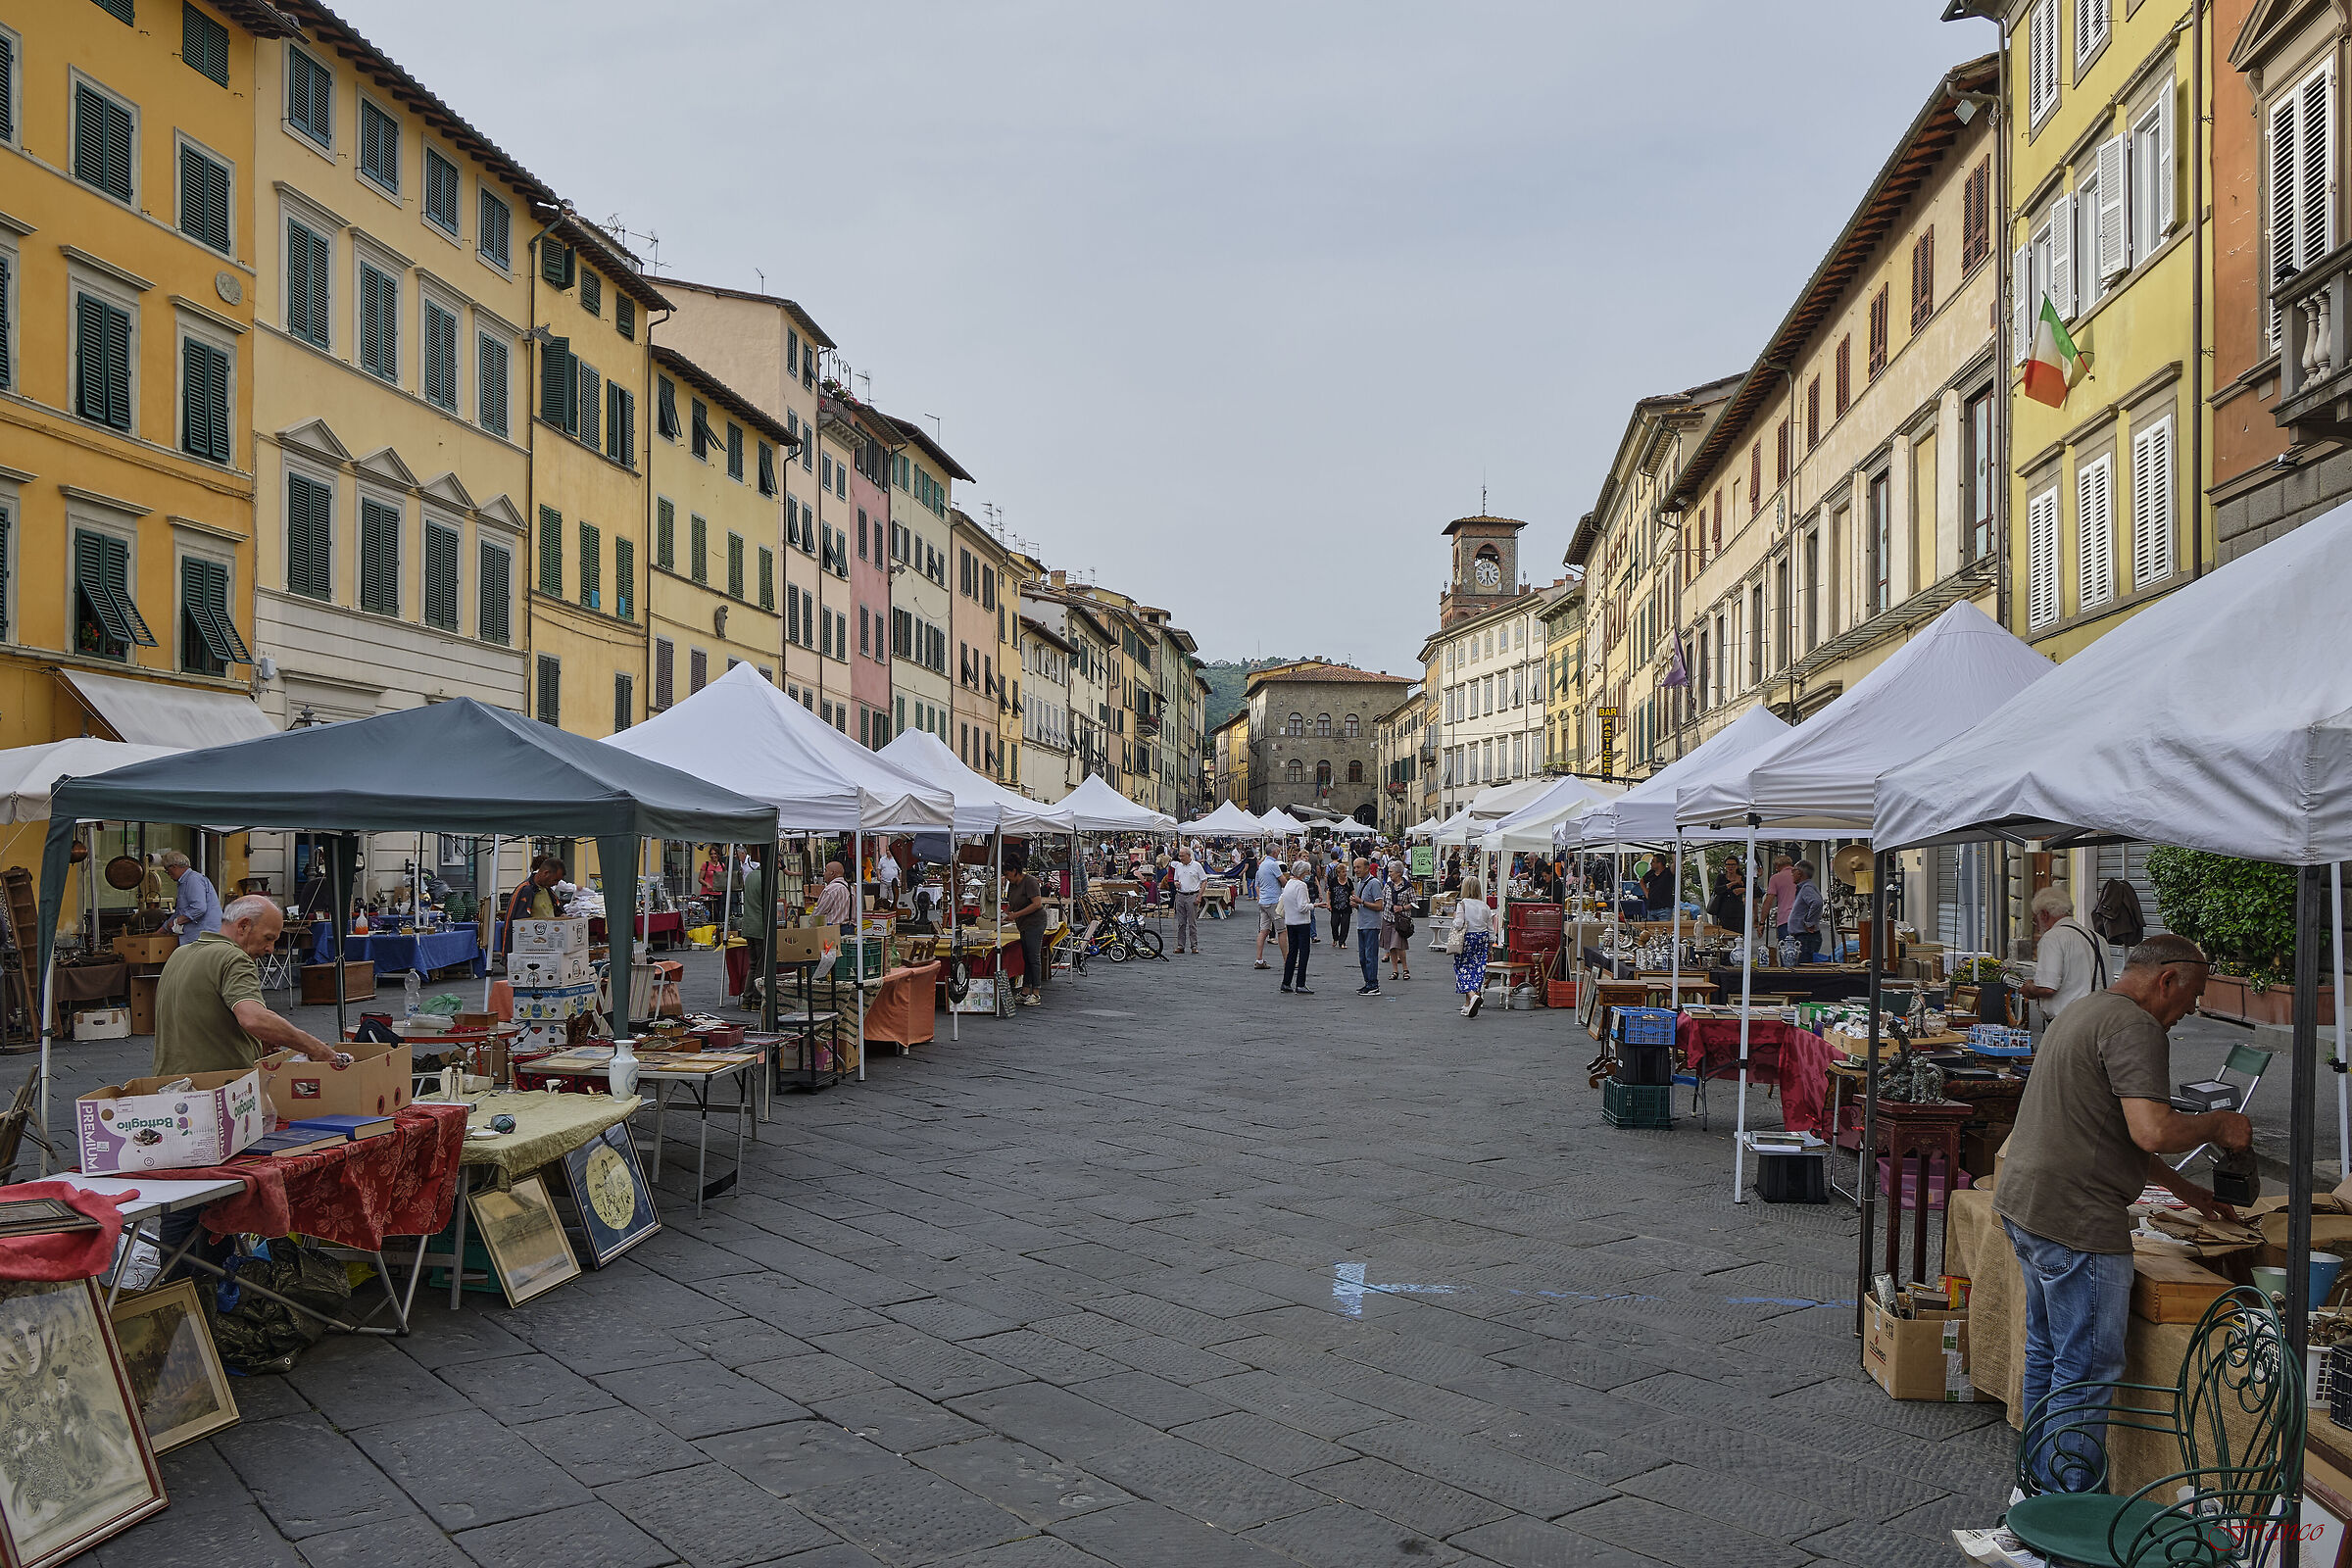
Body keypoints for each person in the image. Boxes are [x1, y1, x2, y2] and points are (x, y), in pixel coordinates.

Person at [1987, 935, 2250, 1507]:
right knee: (2084, 1370)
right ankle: (2066, 1514)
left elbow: (2114, 1129)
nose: (2191, 1011)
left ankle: (2033, 1497)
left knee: (2049, 1356)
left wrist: (2189, 1192)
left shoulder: (2085, 1009)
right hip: (2074, 1218)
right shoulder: (2136, 1027)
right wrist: (2218, 1124)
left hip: (2028, 1203)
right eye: (2193, 996)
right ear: (2168, 981)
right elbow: (2151, 1129)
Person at [154, 896, 348, 1077]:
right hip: (214, 1089)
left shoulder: (180, 954)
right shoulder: (235, 958)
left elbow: (197, 1018)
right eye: (268, 938)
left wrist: (251, 1044)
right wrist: (317, 1049)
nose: (270, 949)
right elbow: (254, 1019)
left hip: (168, 1087)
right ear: (244, 926)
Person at [2023, 887, 2106, 1027]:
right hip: (2099, 1019)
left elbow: (2047, 988)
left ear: (2044, 914)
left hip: (2069, 1023)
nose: (2037, 927)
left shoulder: (2053, 937)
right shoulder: (2097, 938)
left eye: (2035, 920)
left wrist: (2029, 988)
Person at [501, 857, 565, 960]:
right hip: (531, 951)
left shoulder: (548, 891)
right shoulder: (525, 890)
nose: (556, 884)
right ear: (546, 873)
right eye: (555, 880)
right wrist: (507, 956)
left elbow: (558, 911)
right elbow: (512, 923)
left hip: (549, 948)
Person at [1004, 865, 1050, 1006]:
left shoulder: (1030, 882)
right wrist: (1004, 914)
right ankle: (1025, 991)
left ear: (1014, 870)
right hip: (1022, 924)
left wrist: (1016, 915)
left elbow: (1036, 904)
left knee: (1034, 957)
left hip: (1035, 923)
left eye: (1007, 874)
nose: (1006, 877)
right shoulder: (1012, 885)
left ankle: (1036, 993)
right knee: (1027, 957)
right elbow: (1012, 903)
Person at [160, 850, 222, 947]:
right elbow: (180, 912)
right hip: (197, 937)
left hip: (204, 936)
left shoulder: (193, 879)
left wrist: (177, 921)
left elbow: (199, 908)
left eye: (167, 871)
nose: (168, 874)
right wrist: (163, 929)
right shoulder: (184, 882)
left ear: (174, 867)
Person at [1452, 875, 1494, 1017]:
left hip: (1467, 938)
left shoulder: (1462, 904)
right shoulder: (1485, 906)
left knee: (1462, 968)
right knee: (1476, 970)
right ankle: (1467, 1004)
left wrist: (1454, 919)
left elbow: (1458, 924)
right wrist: (1490, 947)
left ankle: (1472, 996)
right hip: (1482, 938)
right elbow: (1490, 929)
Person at [1278, 858, 1319, 995]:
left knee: (1292, 952)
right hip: (1302, 923)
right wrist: (1315, 905)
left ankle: (1286, 982)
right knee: (1304, 953)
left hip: (1290, 922)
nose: (1309, 874)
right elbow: (1302, 907)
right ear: (1302, 873)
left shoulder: (1289, 883)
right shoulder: (1301, 886)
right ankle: (1300, 983)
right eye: (1307, 872)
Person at [1351, 858, 1389, 998]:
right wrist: (1357, 905)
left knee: (1370, 956)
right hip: (1362, 924)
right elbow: (1364, 903)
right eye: (1355, 867)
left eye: (1358, 867)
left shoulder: (1374, 883)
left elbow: (1379, 906)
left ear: (1367, 868)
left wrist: (1361, 902)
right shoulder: (1361, 883)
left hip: (1371, 925)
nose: (1356, 870)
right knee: (1363, 957)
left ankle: (1373, 984)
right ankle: (1368, 983)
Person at [736, 848, 767, 1007]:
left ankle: (747, 1000)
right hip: (760, 927)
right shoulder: (766, 878)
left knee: (753, 964)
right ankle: (756, 1000)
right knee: (761, 965)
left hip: (748, 925)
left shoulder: (751, 876)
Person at [1385, 854, 1414, 983]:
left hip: (1401, 920)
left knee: (1399, 945)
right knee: (1391, 946)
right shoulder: (1388, 885)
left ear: (1398, 873)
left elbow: (1414, 903)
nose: (1389, 874)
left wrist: (1402, 908)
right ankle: (1395, 970)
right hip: (1387, 918)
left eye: (1391, 872)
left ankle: (1406, 969)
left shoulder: (1408, 887)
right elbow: (1384, 900)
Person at [1252, 850, 1284, 969]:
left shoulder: (1261, 867)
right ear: (1275, 853)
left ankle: (1259, 960)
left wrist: (1260, 897)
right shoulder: (1273, 865)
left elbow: (1257, 885)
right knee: (1282, 930)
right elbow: (1283, 881)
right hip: (1273, 900)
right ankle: (1287, 960)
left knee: (1264, 931)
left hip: (1263, 902)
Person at [1788, 860, 1823, 963]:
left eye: (1793, 871)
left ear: (1799, 873)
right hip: (1803, 937)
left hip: (1806, 937)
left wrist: (1809, 922)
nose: (1791, 874)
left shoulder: (1807, 887)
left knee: (1804, 966)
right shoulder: (1805, 887)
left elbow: (1817, 902)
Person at [1170, 848, 1204, 954]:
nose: (1180, 858)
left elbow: (1204, 881)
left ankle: (1194, 945)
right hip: (1180, 895)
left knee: (1192, 923)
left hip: (1192, 895)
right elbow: (1175, 879)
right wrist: (1176, 883)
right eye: (1179, 856)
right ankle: (1181, 946)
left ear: (1188, 856)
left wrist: (1199, 896)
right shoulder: (1178, 867)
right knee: (1181, 923)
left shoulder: (1197, 866)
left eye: (1182, 856)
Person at [1709, 855, 1748, 935]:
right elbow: (1717, 890)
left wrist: (1744, 889)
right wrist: (1733, 883)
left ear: (1737, 866)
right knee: (1723, 934)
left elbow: (1756, 891)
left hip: (1737, 911)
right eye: (1728, 864)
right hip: (1723, 910)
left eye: (1733, 864)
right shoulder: (1721, 877)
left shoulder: (1742, 878)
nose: (1730, 867)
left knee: (1737, 935)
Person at [1765, 855, 1797, 946]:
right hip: (1801, 919)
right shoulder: (1800, 875)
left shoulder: (1776, 878)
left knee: (1786, 951)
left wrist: (1761, 921)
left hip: (1785, 919)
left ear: (1778, 865)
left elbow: (1769, 900)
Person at [1328, 855, 1353, 949]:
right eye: (1343, 872)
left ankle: (1342, 942)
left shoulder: (1349, 881)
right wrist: (1328, 903)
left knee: (1345, 925)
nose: (1345, 873)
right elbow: (1329, 892)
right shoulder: (1334, 881)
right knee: (1334, 924)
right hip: (1335, 906)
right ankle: (1335, 937)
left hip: (1346, 906)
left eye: (1345, 871)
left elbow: (1352, 892)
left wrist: (1353, 900)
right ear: (1338, 873)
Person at [1641, 854, 1676, 922]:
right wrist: (1646, 892)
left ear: (1659, 863)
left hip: (1664, 909)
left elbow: (1675, 864)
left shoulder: (1668, 872)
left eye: (1653, 861)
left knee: (1663, 931)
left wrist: (1673, 853)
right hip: (1651, 908)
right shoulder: (1651, 873)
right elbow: (1642, 881)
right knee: (1651, 931)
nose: (1651, 863)